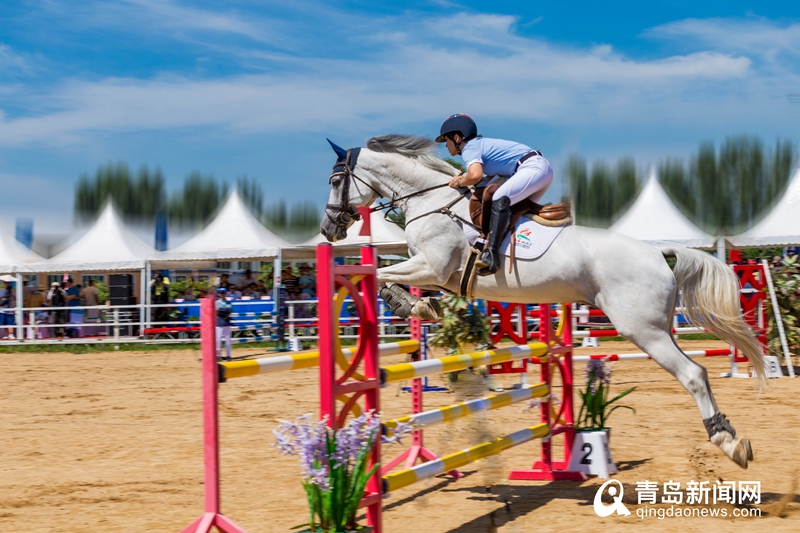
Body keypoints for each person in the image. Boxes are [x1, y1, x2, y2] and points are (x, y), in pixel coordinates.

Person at [436, 113, 554, 275]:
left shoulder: (469, 148)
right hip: (539, 170)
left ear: (457, 138)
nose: (446, 146)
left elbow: (475, 175)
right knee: (515, 216)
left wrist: (458, 182)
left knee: (499, 200)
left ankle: (490, 255)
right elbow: (486, 182)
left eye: (447, 140)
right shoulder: (480, 147)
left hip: (532, 168)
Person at [215, 287, 233, 360]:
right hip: (219, 322)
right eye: (221, 293)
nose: (223, 294)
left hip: (226, 321)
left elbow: (230, 311)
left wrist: (221, 310)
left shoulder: (228, 302)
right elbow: (216, 311)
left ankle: (228, 355)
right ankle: (218, 355)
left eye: (224, 293)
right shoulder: (216, 302)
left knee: (228, 340)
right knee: (218, 340)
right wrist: (225, 311)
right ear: (219, 294)